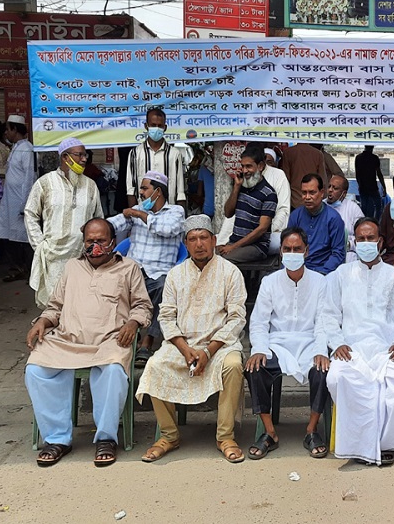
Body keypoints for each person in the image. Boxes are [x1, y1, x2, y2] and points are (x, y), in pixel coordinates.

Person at [25, 218, 152, 467]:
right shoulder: (72, 267)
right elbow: (55, 307)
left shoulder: (129, 268)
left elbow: (143, 306)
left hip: (109, 340)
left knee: (114, 371)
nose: (95, 246)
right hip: (67, 340)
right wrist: (43, 321)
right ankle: (57, 438)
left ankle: (106, 438)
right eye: (90, 241)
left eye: (101, 241)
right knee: (35, 369)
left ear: (113, 242)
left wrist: (133, 323)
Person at [136, 214, 248, 463]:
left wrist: (208, 351)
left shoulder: (231, 272)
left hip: (220, 345)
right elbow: (165, 317)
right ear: (185, 244)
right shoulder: (175, 275)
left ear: (214, 240)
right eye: (193, 239)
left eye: (204, 238)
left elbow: (237, 318)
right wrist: (185, 349)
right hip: (181, 345)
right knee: (154, 366)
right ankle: (169, 435)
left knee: (232, 365)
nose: (199, 244)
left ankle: (225, 436)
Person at [321, 218, 394, 466]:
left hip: (386, 350)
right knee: (336, 378)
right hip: (351, 350)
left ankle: (384, 443)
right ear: (354, 242)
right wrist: (338, 342)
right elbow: (329, 315)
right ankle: (358, 443)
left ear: (380, 242)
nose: (366, 243)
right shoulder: (340, 275)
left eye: (370, 238)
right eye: (361, 239)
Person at [245, 228, 330, 459]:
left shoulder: (321, 282)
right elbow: (259, 321)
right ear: (281, 252)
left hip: (309, 343)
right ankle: (269, 432)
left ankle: (311, 430)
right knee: (255, 368)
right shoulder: (269, 282)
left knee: (323, 370)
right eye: (287, 249)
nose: (292, 253)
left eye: (297, 249)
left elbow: (324, 322)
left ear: (307, 251)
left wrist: (322, 350)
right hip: (277, 344)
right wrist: (260, 348)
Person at [108, 171, 186, 368]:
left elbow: (166, 229)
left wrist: (139, 214)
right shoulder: (138, 209)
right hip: (134, 269)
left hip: (160, 271)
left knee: (164, 287)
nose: (140, 193)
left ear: (157, 191)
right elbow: (115, 223)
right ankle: (116, 337)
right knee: (109, 284)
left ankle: (147, 342)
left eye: (144, 188)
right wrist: (98, 227)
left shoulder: (176, 212)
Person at [24, 137, 103, 309]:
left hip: (81, 257)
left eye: (85, 155)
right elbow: (30, 213)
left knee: (79, 305)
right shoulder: (45, 183)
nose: (84, 159)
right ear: (65, 157)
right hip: (53, 257)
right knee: (54, 306)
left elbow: (99, 219)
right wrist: (39, 245)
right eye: (79, 155)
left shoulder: (90, 186)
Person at [219, 145, 278, 264]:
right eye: (243, 166)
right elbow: (228, 213)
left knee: (222, 262)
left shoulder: (269, 194)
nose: (245, 171)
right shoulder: (242, 186)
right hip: (235, 242)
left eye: (249, 166)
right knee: (205, 256)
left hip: (256, 247)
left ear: (260, 166)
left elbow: (261, 229)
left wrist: (233, 247)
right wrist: (236, 187)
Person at [0, 115, 36, 282]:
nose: (6, 133)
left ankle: (29, 270)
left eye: (8, 129)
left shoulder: (26, 148)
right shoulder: (16, 147)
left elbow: (29, 177)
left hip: (19, 200)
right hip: (10, 201)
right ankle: (18, 268)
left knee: (24, 237)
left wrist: (25, 203)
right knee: (9, 236)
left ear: (15, 130)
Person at [125, 108, 190, 208]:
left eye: (160, 126)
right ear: (146, 126)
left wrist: (181, 216)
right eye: (153, 125)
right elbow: (131, 189)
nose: (157, 128)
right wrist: (134, 216)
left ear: (165, 127)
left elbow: (180, 192)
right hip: (142, 212)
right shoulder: (135, 154)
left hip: (169, 212)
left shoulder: (174, 154)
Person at [288, 174, 346, 274]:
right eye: (304, 193)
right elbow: (288, 249)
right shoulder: (295, 216)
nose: (307, 197)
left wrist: (322, 273)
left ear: (322, 193)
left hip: (324, 272)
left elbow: (338, 254)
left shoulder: (334, 218)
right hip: (298, 270)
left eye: (312, 192)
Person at [253, 143, 291, 253]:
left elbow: (283, 209)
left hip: (272, 232)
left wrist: (270, 229)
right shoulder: (246, 176)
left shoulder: (279, 175)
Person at [327, 174, 365, 261]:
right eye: (329, 186)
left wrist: (348, 244)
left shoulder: (353, 208)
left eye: (335, 188)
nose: (330, 190)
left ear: (343, 193)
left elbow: (363, 237)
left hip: (347, 252)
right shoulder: (321, 206)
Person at [281, 143, 326, 209]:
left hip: (294, 200)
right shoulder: (318, 154)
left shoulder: (288, 152)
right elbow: (323, 180)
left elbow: (285, 179)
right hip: (313, 199)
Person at [355, 145, 387, 219]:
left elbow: (357, 174)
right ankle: (375, 223)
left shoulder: (358, 157)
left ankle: (363, 223)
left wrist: (360, 185)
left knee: (364, 208)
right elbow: (379, 173)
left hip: (363, 187)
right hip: (372, 187)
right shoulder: (374, 158)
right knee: (378, 206)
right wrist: (384, 187)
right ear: (372, 147)